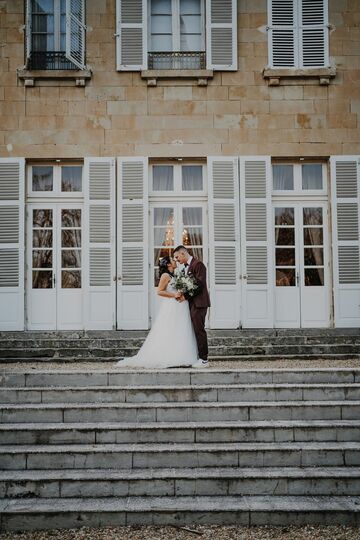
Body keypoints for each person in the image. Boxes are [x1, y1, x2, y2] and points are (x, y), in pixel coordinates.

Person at [117, 256, 198, 369]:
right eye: (172, 260)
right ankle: (170, 356)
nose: (175, 261)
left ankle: (181, 354)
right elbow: (159, 291)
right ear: (169, 264)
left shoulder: (175, 274)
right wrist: (174, 294)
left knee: (180, 328)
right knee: (170, 329)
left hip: (181, 306)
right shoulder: (165, 276)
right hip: (172, 305)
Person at [173, 245, 211, 368]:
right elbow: (188, 284)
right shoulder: (185, 267)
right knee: (194, 330)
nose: (176, 260)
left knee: (199, 331)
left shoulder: (198, 265)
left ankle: (204, 359)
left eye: (177, 257)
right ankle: (197, 356)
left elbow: (199, 285)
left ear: (183, 253)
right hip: (192, 303)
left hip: (199, 303)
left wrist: (185, 296)